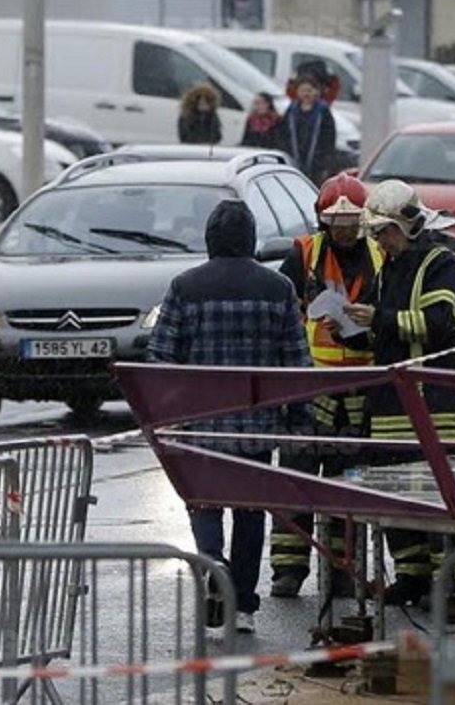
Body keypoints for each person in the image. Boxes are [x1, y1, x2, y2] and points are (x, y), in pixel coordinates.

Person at [148, 199, 312, 635]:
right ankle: (243, 605)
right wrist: (299, 419)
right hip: (257, 428)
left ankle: (212, 567)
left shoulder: (185, 287)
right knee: (250, 513)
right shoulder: (278, 289)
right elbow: (297, 364)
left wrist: (165, 413)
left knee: (203, 504)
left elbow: (159, 359)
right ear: (251, 240)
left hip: (200, 425)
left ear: (210, 240)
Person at [344, 180, 455, 609]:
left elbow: (439, 323)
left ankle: (453, 586)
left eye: (385, 232)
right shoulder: (391, 266)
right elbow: (388, 336)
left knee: (439, 501)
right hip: (389, 408)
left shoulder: (444, 264)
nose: (379, 242)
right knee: (396, 493)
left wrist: (379, 318)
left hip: (431, 405)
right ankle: (412, 575)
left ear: (409, 223)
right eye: (376, 235)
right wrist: (355, 334)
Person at [269, 173, 384, 601]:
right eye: (336, 222)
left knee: (346, 485)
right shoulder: (302, 255)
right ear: (322, 219)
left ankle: (341, 570)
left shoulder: (378, 257)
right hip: (308, 392)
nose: (344, 230)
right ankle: (288, 569)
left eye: (351, 221)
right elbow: (284, 318)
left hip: (359, 390)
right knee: (295, 482)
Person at [283, 74, 337, 184]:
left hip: (316, 163)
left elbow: (329, 138)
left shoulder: (322, 111)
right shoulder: (291, 111)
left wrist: (325, 162)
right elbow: (283, 134)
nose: (306, 94)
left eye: (309, 90)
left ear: (316, 91)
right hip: (294, 159)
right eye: (303, 90)